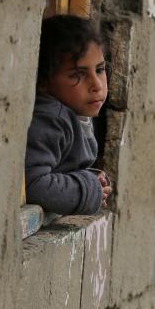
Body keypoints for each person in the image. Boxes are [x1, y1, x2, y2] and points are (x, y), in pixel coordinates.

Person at [24, 15, 112, 215]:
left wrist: (88, 180)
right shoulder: (51, 118)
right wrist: (89, 189)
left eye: (99, 70)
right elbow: (33, 184)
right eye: (77, 75)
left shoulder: (73, 113)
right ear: (43, 81)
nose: (97, 85)